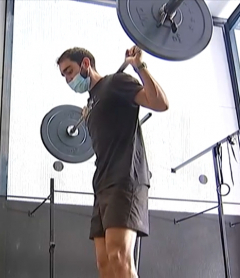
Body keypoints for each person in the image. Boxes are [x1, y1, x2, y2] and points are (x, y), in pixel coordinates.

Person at [56, 46, 169, 278]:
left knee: (119, 257)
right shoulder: (91, 105)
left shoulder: (116, 83)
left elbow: (160, 103)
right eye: (64, 76)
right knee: (104, 263)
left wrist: (139, 66)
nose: (68, 79)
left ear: (86, 64)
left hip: (125, 178)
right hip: (102, 183)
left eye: (70, 71)